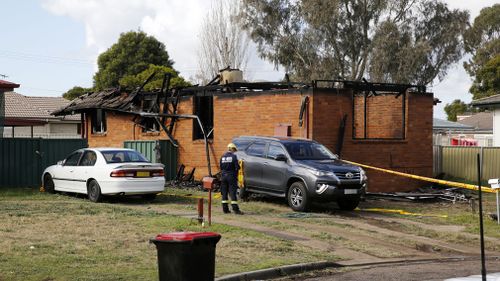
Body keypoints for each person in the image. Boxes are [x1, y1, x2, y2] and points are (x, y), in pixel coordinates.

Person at [219, 143, 243, 215]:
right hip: (231, 177)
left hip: (223, 177)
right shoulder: (234, 156)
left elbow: (221, 167)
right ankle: (236, 210)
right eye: (234, 150)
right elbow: (237, 167)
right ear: (232, 149)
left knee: (224, 193)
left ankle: (225, 209)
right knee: (232, 193)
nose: (234, 151)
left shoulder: (222, 157)